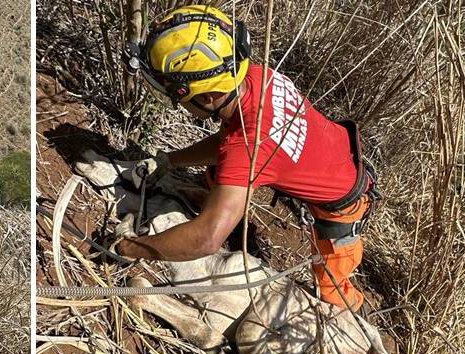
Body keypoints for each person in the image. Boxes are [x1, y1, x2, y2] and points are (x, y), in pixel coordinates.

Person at [117, 4, 379, 311]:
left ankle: (356, 312)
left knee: (331, 292)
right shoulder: (255, 77)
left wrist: (132, 247)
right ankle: (210, 199)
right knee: (223, 174)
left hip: (343, 200)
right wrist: (169, 161)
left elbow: (207, 239)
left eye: (178, 95)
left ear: (207, 96)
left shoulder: (247, 147)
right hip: (331, 150)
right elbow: (228, 144)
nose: (178, 103)